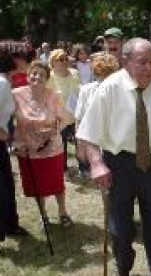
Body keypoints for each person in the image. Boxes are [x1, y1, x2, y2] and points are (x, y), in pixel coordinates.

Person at [76, 38, 151, 276]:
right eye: (142, 62)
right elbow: (89, 132)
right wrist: (96, 163)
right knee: (121, 231)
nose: (149, 68)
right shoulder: (109, 88)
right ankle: (123, 265)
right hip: (119, 166)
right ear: (125, 61)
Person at [13, 60, 73, 227]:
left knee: (56, 183)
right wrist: (14, 141)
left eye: (42, 74)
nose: (37, 77)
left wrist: (54, 130)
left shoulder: (54, 95)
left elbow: (66, 119)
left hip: (52, 148)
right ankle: (43, 214)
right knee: (36, 185)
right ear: (28, 75)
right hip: (28, 149)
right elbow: (6, 120)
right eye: (34, 73)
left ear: (47, 78)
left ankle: (62, 212)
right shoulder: (16, 95)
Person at [0, 52, 29, 243]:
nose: (26, 60)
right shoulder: (1, 83)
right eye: (22, 56)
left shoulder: (5, 81)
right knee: (2, 188)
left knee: (7, 185)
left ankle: (10, 224)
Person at [47, 49, 81, 175]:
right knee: (61, 145)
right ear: (53, 62)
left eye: (66, 58)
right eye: (60, 59)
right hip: (59, 117)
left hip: (76, 116)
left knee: (81, 142)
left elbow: (80, 93)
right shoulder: (49, 77)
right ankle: (62, 168)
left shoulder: (75, 73)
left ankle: (84, 167)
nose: (64, 61)